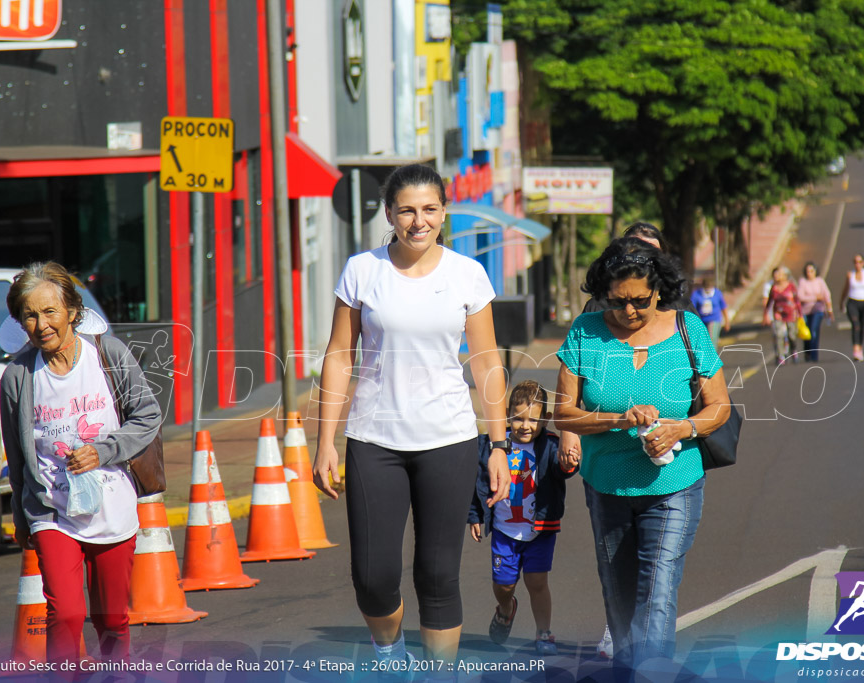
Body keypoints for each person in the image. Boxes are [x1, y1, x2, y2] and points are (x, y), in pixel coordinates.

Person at [312, 163, 511, 677]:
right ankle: (389, 655)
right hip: (374, 438)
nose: (418, 221)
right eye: (407, 210)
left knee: (438, 574)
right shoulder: (362, 270)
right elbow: (338, 354)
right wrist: (325, 441)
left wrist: (498, 445)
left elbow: (487, 362)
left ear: (444, 212)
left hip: (449, 439)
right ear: (390, 214)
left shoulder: (467, 274)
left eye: (429, 209)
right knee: (374, 578)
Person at [553, 237, 731, 673]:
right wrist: (618, 420)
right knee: (618, 593)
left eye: (639, 300)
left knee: (657, 588)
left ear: (659, 289)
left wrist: (680, 428)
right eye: (616, 300)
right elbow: (563, 413)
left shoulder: (689, 329)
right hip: (606, 484)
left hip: (674, 485)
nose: (629, 311)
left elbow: (719, 407)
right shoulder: (584, 332)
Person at [0, 262, 162, 671]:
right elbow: (17, 457)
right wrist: (21, 515)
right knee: (67, 614)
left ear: (72, 310)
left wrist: (104, 451)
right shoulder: (17, 376)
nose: (41, 325)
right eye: (30, 315)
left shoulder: (108, 355)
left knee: (112, 620)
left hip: (111, 504)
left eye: (50, 312)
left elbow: (147, 415)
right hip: (52, 510)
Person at [468, 380, 578, 656]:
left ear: (546, 419)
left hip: (539, 531)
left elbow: (562, 470)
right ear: (507, 415)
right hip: (505, 530)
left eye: (533, 419)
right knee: (503, 584)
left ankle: (544, 632)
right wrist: (475, 515)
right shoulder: (494, 447)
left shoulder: (550, 446)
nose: (525, 425)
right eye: (518, 418)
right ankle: (506, 608)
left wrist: (568, 464)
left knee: (537, 582)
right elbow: (479, 482)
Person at [839, 254, 864, 361]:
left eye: (860, 262)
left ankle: (860, 347)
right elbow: (845, 289)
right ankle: (855, 349)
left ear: (863, 263)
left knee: (862, 326)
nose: (857, 264)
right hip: (852, 303)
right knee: (856, 325)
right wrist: (841, 302)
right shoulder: (850, 275)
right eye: (855, 262)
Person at [796, 261, 834, 362]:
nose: (810, 273)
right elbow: (800, 297)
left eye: (812, 271)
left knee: (814, 331)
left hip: (818, 310)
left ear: (815, 271)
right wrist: (815, 297)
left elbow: (826, 295)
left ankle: (814, 355)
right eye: (808, 271)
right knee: (807, 333)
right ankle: (807, 352)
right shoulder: (803, 282)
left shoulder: (820, 281)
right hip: (805, 311)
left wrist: (830, 310)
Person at [763, 266, 801, 366]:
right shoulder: (774, 288)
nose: (777, 276)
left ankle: (793, 349)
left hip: (790, 313)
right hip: (778, 314)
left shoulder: (791, 286)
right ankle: (781, 356)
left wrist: (799, 313)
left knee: (791, 335)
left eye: (779, 274)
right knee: (779, 335)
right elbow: (769, 302)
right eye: (776, 274)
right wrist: (766, 314)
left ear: (785, 276)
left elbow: (797, 301)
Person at [690, 277, 730, 346]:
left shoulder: (717, 293)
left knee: (711, 339)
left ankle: (712, 354)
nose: (708, 289)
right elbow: (692, 308)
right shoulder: (696, 294)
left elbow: (723, 307)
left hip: (714, 319)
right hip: (701, 320)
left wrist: (727, 322)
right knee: (701, 341)